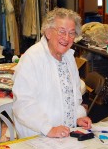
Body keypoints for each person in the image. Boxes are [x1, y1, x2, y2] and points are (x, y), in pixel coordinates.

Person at [12, 8, 92, 138]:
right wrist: (48, 129)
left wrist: (77, 117)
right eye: (62, 31)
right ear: (48, 32)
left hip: (64, 134)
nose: (66, 38)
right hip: (38, 136)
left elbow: (72, 96)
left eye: (72, 33)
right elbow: (23, 104)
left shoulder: (68, 57)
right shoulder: (32, 58)